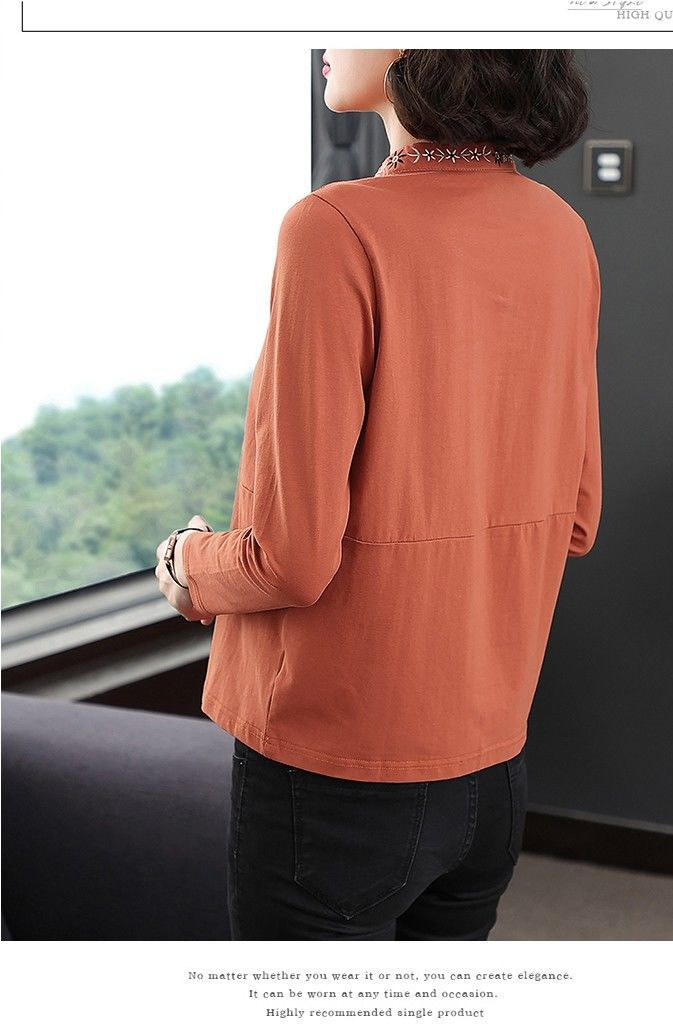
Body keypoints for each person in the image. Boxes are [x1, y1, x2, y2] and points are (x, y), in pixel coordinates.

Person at [154, 48, 602, 940]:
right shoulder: (561, 229)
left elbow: (290, 559)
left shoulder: (333, 227)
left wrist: (186, 564)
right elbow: (577, 517)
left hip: (337, 774)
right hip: (492, 770)